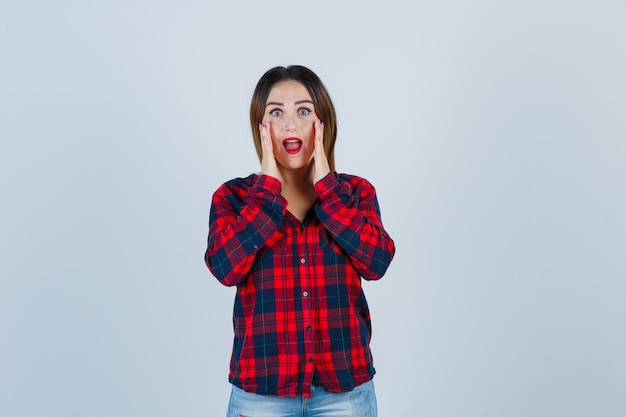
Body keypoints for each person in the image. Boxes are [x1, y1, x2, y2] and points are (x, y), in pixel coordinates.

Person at [205, 65, 395, 417]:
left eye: (303, 111)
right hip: (261, 397)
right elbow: (224, 268)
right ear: (262, 128)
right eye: (276, 112)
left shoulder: (354, 192)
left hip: (345, 395)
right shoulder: (234, 197)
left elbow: (377, 262)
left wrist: (327, 189)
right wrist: (267, 190)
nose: (290, 124)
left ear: (321, 123)